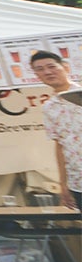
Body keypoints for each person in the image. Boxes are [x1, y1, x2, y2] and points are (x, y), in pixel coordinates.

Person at [35, 49, 82, 213]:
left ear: (65, 67)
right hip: (78, 181)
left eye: (51, 66)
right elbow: (60, 146)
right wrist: (64, 184)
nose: (47, 72)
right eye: (40, 69)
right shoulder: (49, 107)